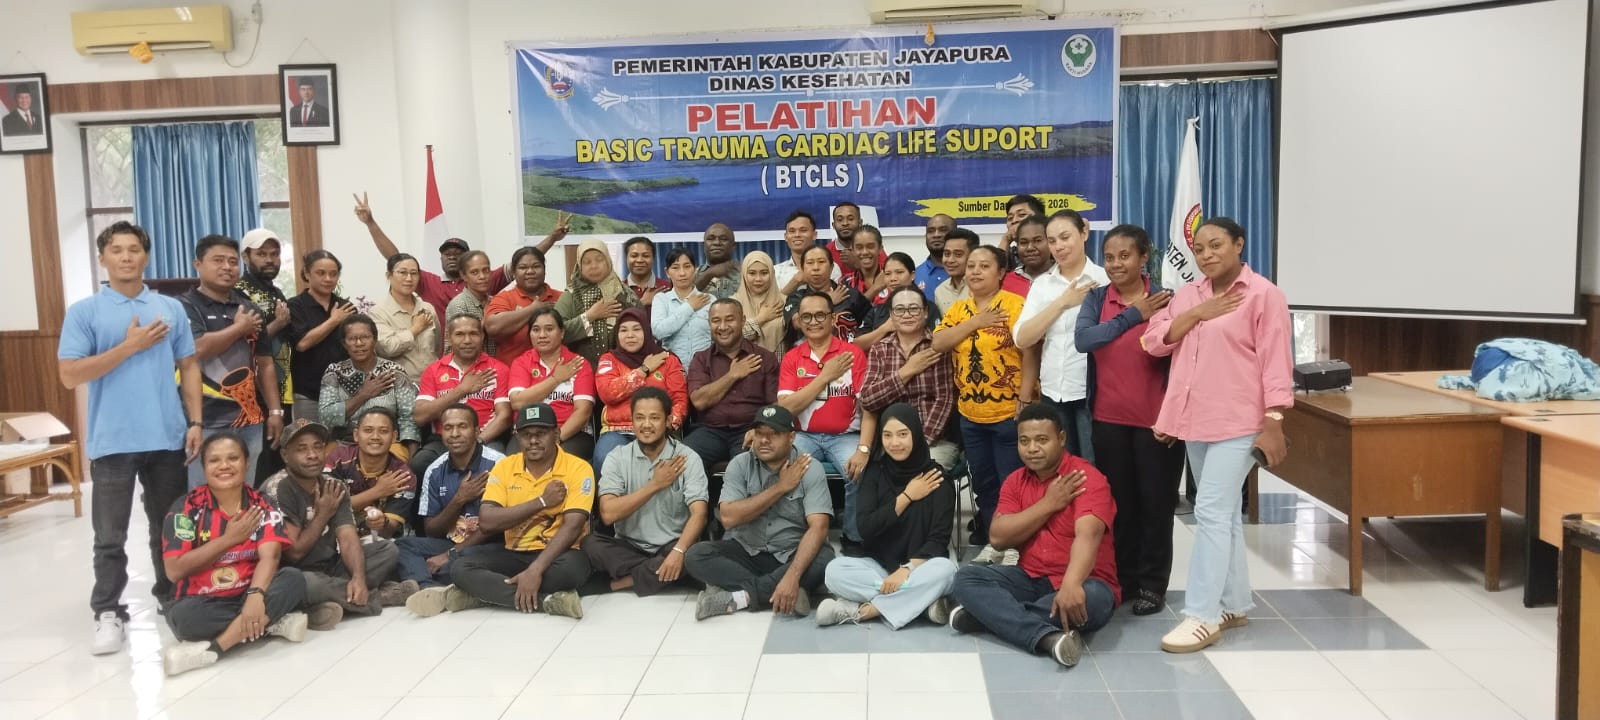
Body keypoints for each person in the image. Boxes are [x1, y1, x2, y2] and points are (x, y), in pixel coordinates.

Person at [1142, 218, 1293, 653]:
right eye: (1199, 249)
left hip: (1241, 422)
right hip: (1196, 420)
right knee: (1223, 514)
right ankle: (1234, 604)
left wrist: (1275, 420)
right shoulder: (1189, 295)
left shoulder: (1263, 294)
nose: (1206, 255)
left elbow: (1276, 362)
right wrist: (1195, 314)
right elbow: (1154, 341)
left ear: (1239, 244)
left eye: (1216, 245)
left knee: (1208, 510)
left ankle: (1202, 616)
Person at [58, 221, 202, 655]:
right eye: (116, 249)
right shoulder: (85, 311)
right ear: (102, 258)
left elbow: (189, 366)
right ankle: (108, 611)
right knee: (109, 534)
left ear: (146, 256)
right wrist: (129, 346)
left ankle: (170, 597)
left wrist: (195, 421)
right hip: (113, 440)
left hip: (167, 437)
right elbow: (70, 375)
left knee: (169, 528)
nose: (126, 256)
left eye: (134, 249)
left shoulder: (169, 308)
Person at [948, 403, 1119, 668]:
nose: (1032, 448)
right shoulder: (1015, 481)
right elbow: (998, 538)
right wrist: (1048, 504)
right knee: (966, 578)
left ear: (1061, 438)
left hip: (1086, 581)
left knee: (1092, 599)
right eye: (1024, 441)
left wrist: (1071, 583)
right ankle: (1046, 637)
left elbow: (1088, 535)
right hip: (1031, 578)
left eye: (1042, 440)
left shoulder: (1086, 478)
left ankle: (989, 617)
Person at [1075, 224, 1182, 616]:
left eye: (1125, 256)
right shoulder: (1097, 297)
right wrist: (1134, 315)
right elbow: (1085, 340)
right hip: (1108, 421)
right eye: (1109, 257)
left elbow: (1182, 358)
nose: (1116, 264)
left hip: (1158, 424)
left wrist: (1175, 417)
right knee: (1120, 506)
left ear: (1143, 257)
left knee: (1156, 506)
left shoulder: (1167, 299)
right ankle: (1124, 578)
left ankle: (1152, 585)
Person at [158, 433, 307, 677]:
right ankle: (269, 623)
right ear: (204, 467)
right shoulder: (186, 509)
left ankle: (215, 649)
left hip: (249, 592)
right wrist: (229, 539)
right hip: (202, 602)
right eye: (214, 460)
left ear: (246, 463)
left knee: (293, 579)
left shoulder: (262, 504)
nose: (224, 465)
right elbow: (174, 570)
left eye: (233, 458)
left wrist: (255, 596)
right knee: (183, 618)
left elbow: (270, 557)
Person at [685, 405, 834, 619]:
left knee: (825, 558)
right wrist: (780, 487)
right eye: (759, 433)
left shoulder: (810, 467)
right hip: (747, 551)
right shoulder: (740, 464)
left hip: (791, 553)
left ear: (791, 437)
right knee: (696, 555)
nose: (764, 440)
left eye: (773, 434)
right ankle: (790, 590)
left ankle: (741, 597)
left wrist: (792, 576)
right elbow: (728, 518)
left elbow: (819, 527)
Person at [816, 404, 957, 629]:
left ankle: (863, 611)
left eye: (902, 434)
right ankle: (921, 603)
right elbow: (866, 528)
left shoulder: (937, 479)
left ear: (916, 434)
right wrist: (907, 496)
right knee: (834, 571)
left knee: (946, 571)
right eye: (887, 435)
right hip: (879, 567)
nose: (894, 443)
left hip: (920, 567)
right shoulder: (874, 473)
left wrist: (906, 570)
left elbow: (938, 542)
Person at [445, 404, 592, 618]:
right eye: (526, 435)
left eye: (541, 433)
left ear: (556, 434)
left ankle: (483, 594)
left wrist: (536, 569)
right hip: (514, 553)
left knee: (573, 571)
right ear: (517, 437)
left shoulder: (578, 468)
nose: (533, 440)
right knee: (460, 568)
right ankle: (547, 602)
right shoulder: (505, 467)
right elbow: (487, 522)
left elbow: (573, 526)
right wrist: (541, 502)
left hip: (558, 555)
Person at [934, 244, 1028, 561]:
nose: (975, 271)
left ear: (1001, 272)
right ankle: (994, 541)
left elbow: (1031, 351)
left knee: (1011, 481)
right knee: (984, 484)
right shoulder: (958, 310)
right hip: (971, 414)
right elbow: (938, 342)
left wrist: (1026, 396)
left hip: (1009, 411)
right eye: (971, 265)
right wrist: (976, 322)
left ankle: (1015, 545)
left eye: (984, 266)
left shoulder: (1015, 305)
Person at [262, 419, 403, 630]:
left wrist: (358, 578)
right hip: (292, 575)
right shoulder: (277, 488)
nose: (312, 455)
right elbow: (294, 553)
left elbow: (347, 539)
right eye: (302, 449)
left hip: (330, 568)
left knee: (386, 550)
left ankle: (325, 604)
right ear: (285, 455)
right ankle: (377, 597)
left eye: (317, 447)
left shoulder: (333, 485)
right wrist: (323, 514)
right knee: (308, 583)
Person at [355, 192, 569, 324]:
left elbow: (525, 262)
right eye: (447, 254)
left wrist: (552, 238)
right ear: (440, 258)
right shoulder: (430, 283)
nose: (452, 258)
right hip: (446, 358)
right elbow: (396, 259)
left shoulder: (483, 279)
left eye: (458, 255)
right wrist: (371, 223)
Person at [177, 234, 282, 490]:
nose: (227, 267)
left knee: (244, 492)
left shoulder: (249, 307)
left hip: (250, 420)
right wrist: (239, 329)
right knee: (203, 495)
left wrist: (275, 411)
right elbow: (196, 349)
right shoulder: (185, 306)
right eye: (218, 260)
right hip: (204, 421)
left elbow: (265, 363)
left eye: (233, 262)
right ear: (198, 264)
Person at [584, 387, 710, 596]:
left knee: (693, 553)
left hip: (671, 544)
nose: (646, 425)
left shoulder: (688, 458)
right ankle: (664, 573)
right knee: (590, 544)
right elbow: (607, 514)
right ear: (632, 422)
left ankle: (617, 584)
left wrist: (679, 551)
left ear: (668, 421)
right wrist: (655, 485)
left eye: (654, 418)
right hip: (629, 546)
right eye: (640, 418)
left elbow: (700, 514)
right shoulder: (617, 458)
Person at [778, 291, 874, 547]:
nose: (813, 321)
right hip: (803, 436)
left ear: (832, 319)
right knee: (781, 468)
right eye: (807, 316)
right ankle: (794, 537)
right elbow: (786, 408)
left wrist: (864, 449)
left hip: (845, 437)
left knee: (860, 471)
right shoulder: (792, 357)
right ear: (799, 321)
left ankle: (854, 538)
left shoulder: (853, 354)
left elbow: (869, 408)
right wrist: (825, 377)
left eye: (820, 315)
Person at [1014, 210, 1110, 462]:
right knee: (1059, 467)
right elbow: (1022, 338)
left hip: (1093, 392)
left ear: (1084, 233)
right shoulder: (1042, 285)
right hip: (1053, 391)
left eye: (1065, 237)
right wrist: (1062, 303)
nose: (1058, 246)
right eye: (1052, 240)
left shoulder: (1104, 279)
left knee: (1093, 466)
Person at [399, 404, 505, 615]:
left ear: (476, 431)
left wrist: (450, 555)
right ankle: (429, 590)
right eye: (448, 428)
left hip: (489, 546)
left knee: (457, 566)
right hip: (449, 542)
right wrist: (459, 499)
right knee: (402, 546)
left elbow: (496, 527)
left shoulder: (500, 465)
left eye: (462, 427)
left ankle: (426, 580)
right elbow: (431, 530)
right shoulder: (435, 470)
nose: (455, 434)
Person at [860, 288, 958, 469]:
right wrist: (906, 372)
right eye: (899, 309)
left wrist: (920, 442)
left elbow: (944, 400)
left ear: (925, 312)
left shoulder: (938, 347)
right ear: (891, 314)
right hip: (890, 441)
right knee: (875, 475)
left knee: (928, 472)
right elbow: (867, 399)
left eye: (913, 309)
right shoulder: (880, 349)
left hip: (932, 441)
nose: (906, 315)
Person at [685, 299, 780, 470]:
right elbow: (699, 401)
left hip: (750, 429)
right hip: (709, 431)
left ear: (742, 320)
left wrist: (760, 429)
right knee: (683, 461)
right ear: (709, 323)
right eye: (716, 321)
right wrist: (732, 375)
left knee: (749, 465)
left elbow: (773, 405)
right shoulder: (701, 359)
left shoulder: (765, 358)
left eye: (729, 319)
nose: (722, 327)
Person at [412, 314, 513, 476]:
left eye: (473, 334)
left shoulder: (499, 369)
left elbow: (505, 416)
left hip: (486, 438)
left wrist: (478, 441)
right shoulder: (434, 370)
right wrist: (462, 389)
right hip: (443, 440)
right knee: (418, 465)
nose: (467, 340)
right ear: (449, 337)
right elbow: (420, 416)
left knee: (500, 467)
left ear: (482, 336)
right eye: (459, 334)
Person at [594, 307, 688, 476]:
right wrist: (643, 370)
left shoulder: (668, 360)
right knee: (605, 459)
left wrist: (667, 424)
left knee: (672, 465)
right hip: (618, 431)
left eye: (636, 329)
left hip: (659, 431)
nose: (630, 335)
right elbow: (607, 393)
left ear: (646, 331)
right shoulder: (609, 359)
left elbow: (680, 400)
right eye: (624, 330)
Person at [236, 228, 295, 477]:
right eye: (262, 254)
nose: (270, 260)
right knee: (258, 463)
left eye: (274, 254)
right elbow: (244, 344)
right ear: (246, 257)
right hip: (254, 393)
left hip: (281, 390)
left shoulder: (276, 292)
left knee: (278, 462)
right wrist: (278, 324)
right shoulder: (239, 292)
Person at [509, 306, 598, 459]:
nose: (542, 335)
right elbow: (517, 402)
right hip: (527, 432)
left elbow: (583, 411)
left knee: (561, 461)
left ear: (562, 333)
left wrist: (557, 438)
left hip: (570, 434)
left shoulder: (578, 364)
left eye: (549, 329)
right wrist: (555, 379)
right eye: (536, 330)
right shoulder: (521, 363)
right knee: (512, 462)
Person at [318, 315, 419, 447]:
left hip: (388, 445)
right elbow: (326, 418)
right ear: (344, 343)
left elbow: (409, 419)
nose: (359, 343)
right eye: (352, 339)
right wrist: (363, 395)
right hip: (344, 444)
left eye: (365, 337)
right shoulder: (334, 372)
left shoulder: (394, 372)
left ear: (375, 340)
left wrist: (410, 455)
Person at [322, 408, 418, 545]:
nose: (375, 437)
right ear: (356, 435)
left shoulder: (402, 475)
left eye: (383, 431)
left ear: (394, 437)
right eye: (368, 430)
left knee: (388, 550)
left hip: (373, 540)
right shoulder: (338, 458)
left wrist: (382, 522)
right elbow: (327, 508)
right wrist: (377, 491)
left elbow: (388, 531)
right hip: (332, 533)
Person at [285, 250, 355, 422]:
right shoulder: (295, 305)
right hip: (308, 393)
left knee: (342, 438)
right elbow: (302, 344)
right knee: (309, 436)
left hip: (344, 390)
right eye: (321, 273)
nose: (328, 279)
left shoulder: (345, 306)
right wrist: (334, 320)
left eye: (333, 274)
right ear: (307, 274)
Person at [484, 247, 562, 367]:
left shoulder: (561, 298)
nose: (530, 271)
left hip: (556, 371)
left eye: (536, 266)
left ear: (544, 270)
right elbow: (492, 327)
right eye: (523, 267)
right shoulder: (504, 298)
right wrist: (532, 310)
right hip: (510, 372)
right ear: (514, 273)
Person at [782, 245, 870, 348]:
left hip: (847, 353)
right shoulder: (796, 297)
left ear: (831, 267)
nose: (816, 267)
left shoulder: (849, 294)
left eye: (821, 262)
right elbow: (797, 322)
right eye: (810, 263)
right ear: (802, 269)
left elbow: (870, 323)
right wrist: (827, 301)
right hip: (806, 355)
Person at [370, 253, 439, 382]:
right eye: (402, 272)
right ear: (389, 276)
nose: (409, 278)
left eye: (414, 273)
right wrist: (415, 329)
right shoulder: (378, 312)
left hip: (433, 382)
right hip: (400, 385)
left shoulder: (427, 308)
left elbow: (437, 346)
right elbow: (387, 349)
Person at [854, 252, 932, 348]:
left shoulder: (927, 307)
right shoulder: (876, 311)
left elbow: (936, 343)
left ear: (912, 275)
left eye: (899, 272)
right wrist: (884, 328)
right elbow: (856, 346)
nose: (893, 278)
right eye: (888, 274)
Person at [654, 248, 715, 367]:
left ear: (695, 269)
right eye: (675, 268)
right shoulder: (661, 299)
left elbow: (717, 337)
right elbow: (659, 332)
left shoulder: (709, 300)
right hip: (672, 370)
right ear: (667, 272)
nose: (682, 273)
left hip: (706, 369)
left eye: (687, 266)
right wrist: (689, 307)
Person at [444, 250, 500, 357]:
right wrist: (490, 321)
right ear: (464, 276)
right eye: (474, 272)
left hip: (493, 364)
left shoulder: (495, 301)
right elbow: (462, 342)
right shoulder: (459, 304)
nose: (482, 276)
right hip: (465, 365)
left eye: (486, 270)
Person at [729, 251, 787, 353]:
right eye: (752, 273)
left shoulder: (784, 301)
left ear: (772, 273)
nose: (758, 279)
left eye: (764, 273)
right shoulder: (732, 304)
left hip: (779, 361)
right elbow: (730, 337)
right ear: (744, 274)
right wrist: (760, 319)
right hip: (743, 361)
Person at [774, 210, 837, 295]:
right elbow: (774, 302)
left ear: (814, 235)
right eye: (792, 231)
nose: (797, 235)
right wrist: (795, 282)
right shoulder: (775, 271)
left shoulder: (831, 268)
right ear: (785, 236)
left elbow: (838, 297)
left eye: (803, 230)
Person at [840, 224, 887, 305]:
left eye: (870, 246)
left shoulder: (892, 278)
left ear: (880, 249)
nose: (865, 252)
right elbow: (849, 311)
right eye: (859, 247)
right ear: (853, 250)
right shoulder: (845, 283)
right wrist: (875, 288)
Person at [933, 228, 976, 315]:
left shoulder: (982, 286)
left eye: (958, 254)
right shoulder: (940, 290)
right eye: (947, 254)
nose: (950, 260)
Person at [695, 222, 742, 299]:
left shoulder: (746, 272)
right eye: (711, 239)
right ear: (704, 245)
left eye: (723, 239)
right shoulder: (692, 274)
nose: (717, 243)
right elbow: (685, 298)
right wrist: (709, 274)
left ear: (733, 246)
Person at [915, 213, 953, 301]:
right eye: (931, 231)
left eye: (943, 230)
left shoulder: (967, 272)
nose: (936, 235)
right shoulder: (915, 275)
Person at [622, 236, 671, 304]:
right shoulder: (617, 291)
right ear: (626, 258)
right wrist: (642, 303)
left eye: (646, 256)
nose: (639, 260)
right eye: (634, 256)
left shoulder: (667, 288)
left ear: (653, 258)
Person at [1001, 193, 1046, 262]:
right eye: (1010, 218)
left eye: (1022, 214)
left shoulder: (1053, 248)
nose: (1014, 220)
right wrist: (1005, 240)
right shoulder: (1010, 253)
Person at [1012, 215, 1055, 284]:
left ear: (1051, 242)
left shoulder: (1066, 277)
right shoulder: (1007, 281)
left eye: (1038, 240)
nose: (1030, 248)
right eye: (1024, 242)